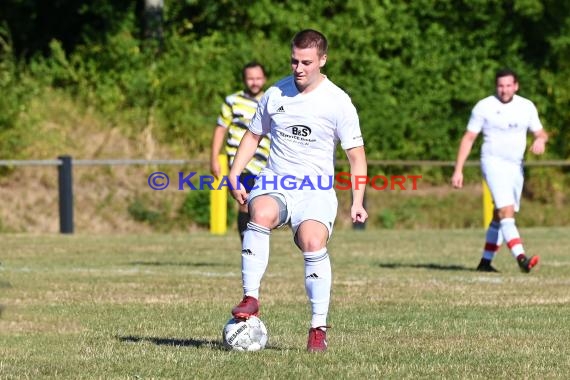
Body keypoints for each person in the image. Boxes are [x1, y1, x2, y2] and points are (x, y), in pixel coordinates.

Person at [227, 29, 367, 352]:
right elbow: (252, 136)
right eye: (294, 61)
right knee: (258, 211)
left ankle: (318, 328)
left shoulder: (338, 102)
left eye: (306, 62)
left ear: (322, 60)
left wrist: (357, 200)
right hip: (276, 180)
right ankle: (250, 298)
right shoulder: (276, 93)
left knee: (312, 240)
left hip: (315, 190)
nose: (299, 68)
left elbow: (356, 156)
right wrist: (234, 174)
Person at [451, 68, 548, 273]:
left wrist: (540, 140)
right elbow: (469, 138)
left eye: (508, 85)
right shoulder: (484, 106)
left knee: (500, 214)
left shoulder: (526, 106)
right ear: (496, 86)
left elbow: (541, 132)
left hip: (515, 166)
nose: (504, 90)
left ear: (516, 86)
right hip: (492, 162)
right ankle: (522, 258)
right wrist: (458, 170)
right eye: (500, 86)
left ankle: (485, 262)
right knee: (506, 211)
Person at [210, 61, 271, 242]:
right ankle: (248, 243)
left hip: (265, 161)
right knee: (245, 202)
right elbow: (220, 128)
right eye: (250, 78)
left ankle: (254, 240)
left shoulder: (271, 100)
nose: (255, 82)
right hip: (241, 161)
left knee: (260, 204)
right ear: (244, 80)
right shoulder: (233, 101)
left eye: (258, 78)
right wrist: (214, 158)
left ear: (264, 79)